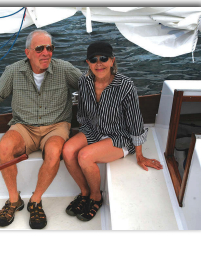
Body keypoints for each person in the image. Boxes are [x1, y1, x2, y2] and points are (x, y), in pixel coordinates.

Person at [0, 30, 81, 228]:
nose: (46, 53)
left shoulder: (64, 69)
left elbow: (90, 88)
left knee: (54, 151)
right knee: (5, 147)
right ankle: (14, 200)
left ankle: (36, 200)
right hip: (24, 126)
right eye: (39, 48)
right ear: (28, 53)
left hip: (56, 126)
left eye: (49, 48)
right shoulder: (13, 71)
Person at [62, 41, 163, 222]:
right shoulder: (84, 82)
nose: (98, 63)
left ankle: (96, 196)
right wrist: (81, 133)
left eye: (103, 59)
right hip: (93, 130)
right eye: (94, 59)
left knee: (84, 156)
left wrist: (139, 154)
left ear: (112, 61)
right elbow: (83, 114)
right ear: (88, 63)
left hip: (120, 136)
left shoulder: (125, 85)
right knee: (68, 150)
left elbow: (135, 120)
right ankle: (84, 192)